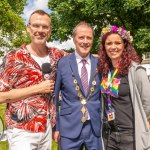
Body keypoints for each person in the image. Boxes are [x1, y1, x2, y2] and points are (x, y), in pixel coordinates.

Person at [0, 9, 67, 150]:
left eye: (45, 27)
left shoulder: (57, 55)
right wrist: (38, 88)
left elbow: (83, 58)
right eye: (36, 26)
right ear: (28, 28)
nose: (40, 30)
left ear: (50, 30)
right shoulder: (13, 57)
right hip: (21, 130)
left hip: (47, 128)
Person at [98, 25, 150, 150]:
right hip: (109, 135)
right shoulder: (104, 71)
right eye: (109, 43)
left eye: (117, 43)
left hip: (130, 136)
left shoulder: (136, 71)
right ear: (104, 47)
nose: (113, 47)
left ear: (125, 45)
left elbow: (147, 104)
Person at [53, 22, 103, 150]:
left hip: (94, 129)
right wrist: (56, 127)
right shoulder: (62, 63)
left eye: (89, 38)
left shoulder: (100, 64)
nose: (85, 41)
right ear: (74, 39)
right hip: (69, 128)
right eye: (81, 37)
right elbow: (54, 97)